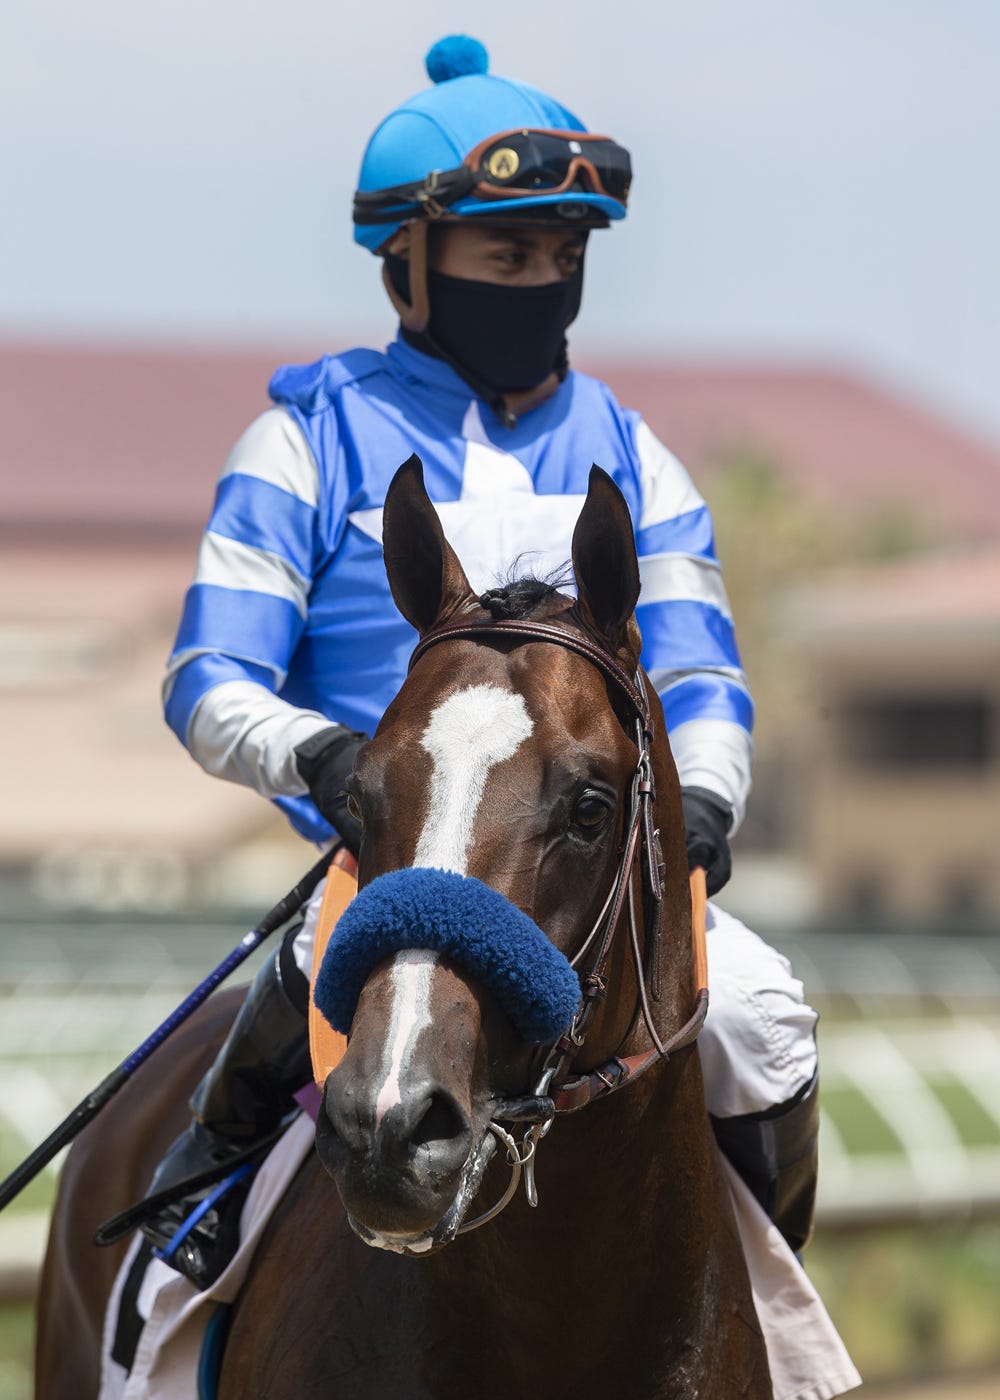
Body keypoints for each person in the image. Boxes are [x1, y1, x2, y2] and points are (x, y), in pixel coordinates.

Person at [143, 35, 820, 1292]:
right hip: (379, 866)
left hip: (594, 873)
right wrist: (323, 755)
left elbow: (702, 677)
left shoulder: (634, 452)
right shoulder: (305, 438)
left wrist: (707, 802)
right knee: (297, 1001)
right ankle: (170, 1299)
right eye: (509, 256)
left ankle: (766, 1300)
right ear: (410, 262)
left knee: (759, 1016)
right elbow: (207, 676)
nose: (543, 281)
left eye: (564, 257)